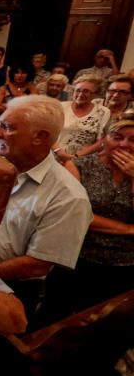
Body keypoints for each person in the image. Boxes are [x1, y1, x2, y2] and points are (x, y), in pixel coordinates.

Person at [0, 96, 92, 314]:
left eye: (6, 127)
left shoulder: (69, 197)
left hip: (11, 289)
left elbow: (37, 263)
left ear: (40, 137)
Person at [59, 116, 134, 312]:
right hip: (80, 257)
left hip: (126, 263)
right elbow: (74, 214)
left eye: (133, 140)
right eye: (117, 137)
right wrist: (128, 229)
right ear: (103, 138)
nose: (125, 145)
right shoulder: (78, 166)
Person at [56, 78, 111, 156]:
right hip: (55, 153)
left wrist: (77, 156)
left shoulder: (103, 112)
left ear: (95, 94)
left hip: (82, 158)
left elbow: (101, 140)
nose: (80, 94)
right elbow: (48, 133)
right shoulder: (61, 106)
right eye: (78, 90)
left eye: (86, 91)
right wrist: (59, 152)